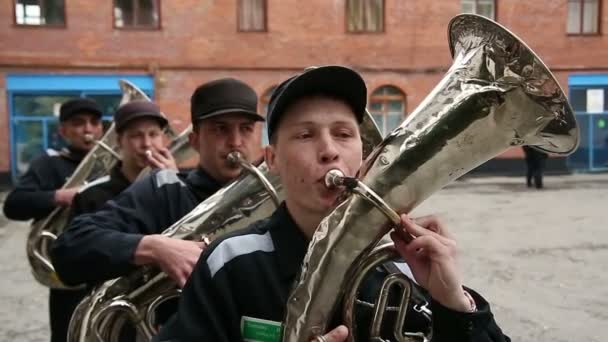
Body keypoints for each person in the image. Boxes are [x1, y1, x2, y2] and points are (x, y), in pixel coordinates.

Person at [155, 66, 511, 342]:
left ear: (363, 152)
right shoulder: (229, 261)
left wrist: (456, 304)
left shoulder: (403, 267)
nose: (329, 150)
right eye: (306, 135)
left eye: (343, 134)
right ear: (272, 158)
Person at [50, 78, 264, 325]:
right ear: (194, 141)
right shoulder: (164, 189)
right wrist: (154, 247)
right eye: (220, 129)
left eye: (246, 128)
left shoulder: (275, 199)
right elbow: (69, 248)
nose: (236, 142)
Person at [47, 100, 176, 342]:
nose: (146, 144)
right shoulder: (92, 196)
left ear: (164, 139)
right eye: (136, 135)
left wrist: (173, 185)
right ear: (119, 142)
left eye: (153, 134)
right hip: (112, 321)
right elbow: (74, 259)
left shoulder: (178, 186)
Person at [2, 98, 104, 342]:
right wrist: (59, 196)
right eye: (78, 123)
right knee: (67, 334)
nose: (88, 129)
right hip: (68, 270)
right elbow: (14, 205)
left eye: (94, 122)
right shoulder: (49, 163)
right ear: (63, 131)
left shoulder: (115, 164)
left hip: (107, 262)